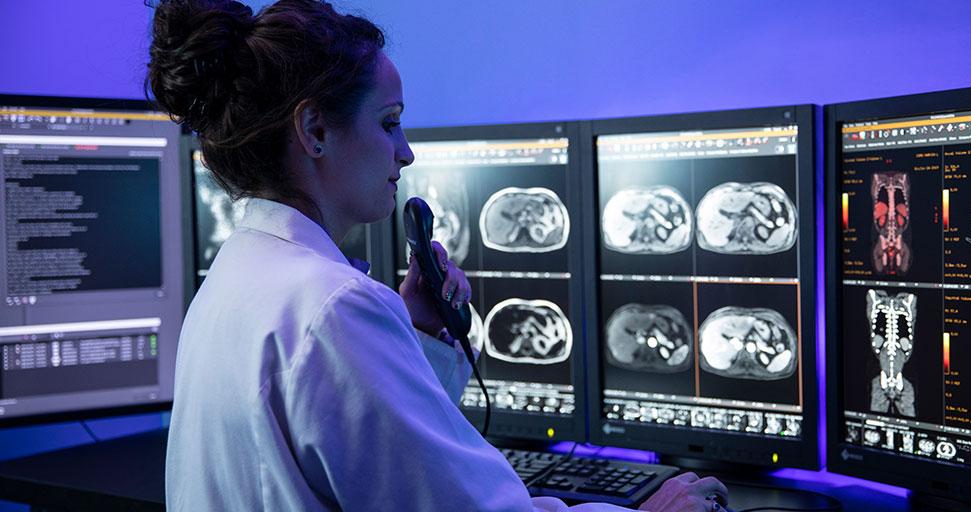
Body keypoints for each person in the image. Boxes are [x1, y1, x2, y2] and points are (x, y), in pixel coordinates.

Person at [147, 0, 729, 510]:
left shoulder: (236, 277)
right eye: (390, 123)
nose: (406, 153)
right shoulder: (332, 308)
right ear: (315, 129)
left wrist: (417, 335)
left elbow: (364, 457)